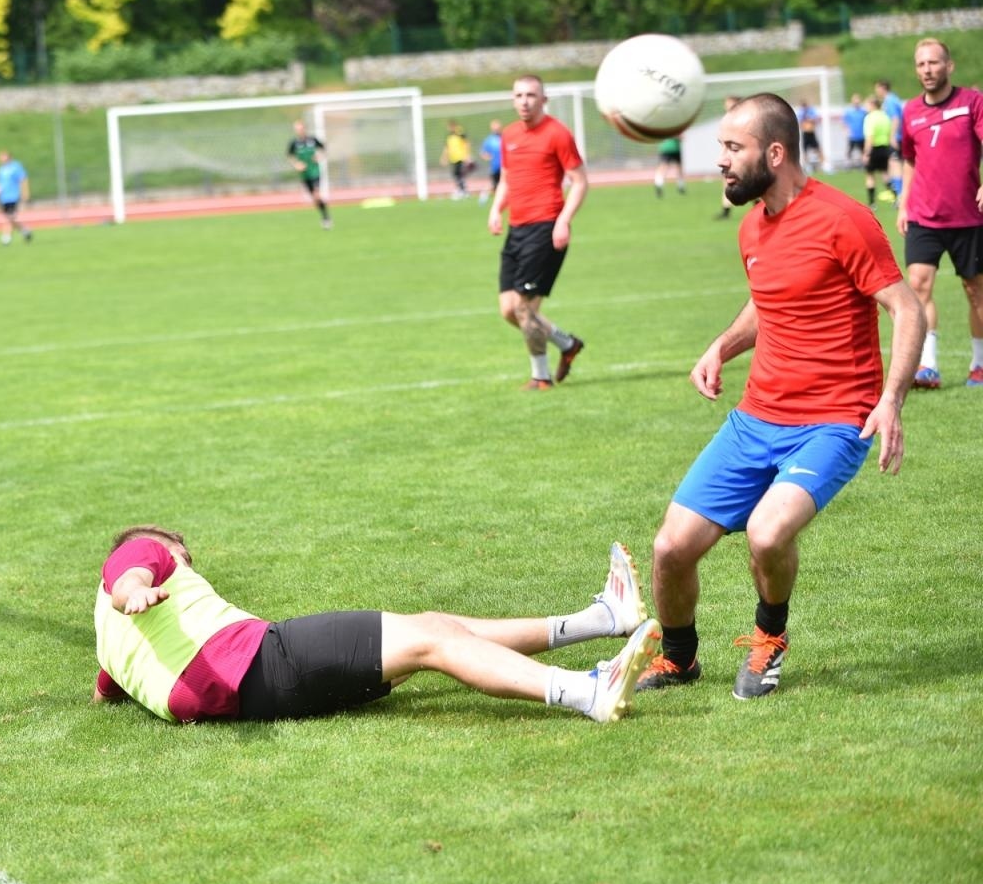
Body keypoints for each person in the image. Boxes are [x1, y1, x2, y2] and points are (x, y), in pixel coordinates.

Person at [637, 93, 924, 701]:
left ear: (774, 152)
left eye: (732, 149)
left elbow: (907, 307)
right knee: (670, 548)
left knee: (768, 534)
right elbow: (767, 304)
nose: (720, 161)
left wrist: (892, 398)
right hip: (754, 419)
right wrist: (721, 347)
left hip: (833, 422)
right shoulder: (752, 224)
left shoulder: (844, 219)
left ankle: (769, 640)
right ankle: (680, 659)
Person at [92, 526, 661, 725]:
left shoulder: (109, 645)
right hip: (259, 660)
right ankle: (589, 692)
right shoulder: (141, 555)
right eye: (184, 556)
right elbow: (127, 581)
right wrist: (139, 590)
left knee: (434, 630)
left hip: (251, 697)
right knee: (435, 640)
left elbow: (108, 689)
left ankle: (602, 618)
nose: (188, 565)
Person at [487, 75, 587, 390]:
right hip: (516, 229)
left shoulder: (558, 134)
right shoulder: (509, 134)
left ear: (544, 99)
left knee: (524, 308)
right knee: (508, 310)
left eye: (531, 95)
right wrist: (495, 209)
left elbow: (580, 181)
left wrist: (564, 220)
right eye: (519, 95)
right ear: (512, 99)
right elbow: (506, 178)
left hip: (545, 228)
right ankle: (567, 343)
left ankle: (540, 377)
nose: (525, 101)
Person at [896, 37, 983, 390]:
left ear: (949, 66)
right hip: (923, 215)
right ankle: (926, 365)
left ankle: (979, 365)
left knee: (975, 290)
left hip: (968, 216)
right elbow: (908, 159)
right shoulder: (910, 111)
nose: (927, 70)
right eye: (921, 65)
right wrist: (903, 203)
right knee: (918, 286)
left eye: (933, 63)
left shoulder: (972, 102)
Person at [287, 120, 332, 229]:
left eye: (300, 129)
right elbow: (289, 156)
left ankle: (326, 218)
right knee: (315, 199)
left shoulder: (312, 140)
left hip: (315, 172)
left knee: (317, 194)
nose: (299, 131)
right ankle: (325, 216)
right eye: (297, 129)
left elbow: (324, 148)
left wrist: (319, 156)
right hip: (304, 175)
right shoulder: (294, 143)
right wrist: (296, 164)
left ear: (304, 129)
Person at [0, 150, 32, 246]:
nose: (1, 159)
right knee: (10, 218)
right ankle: (24, 230)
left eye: (3, 156)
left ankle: (6, 237)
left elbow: (23, 179)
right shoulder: (1, 170)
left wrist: (25, 192)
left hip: (14, 196)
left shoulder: (16, 167)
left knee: (10, 217)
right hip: (4, 197)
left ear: (9, 157)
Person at [863, 95, 896, 208]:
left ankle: (872, 203)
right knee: (885, 174)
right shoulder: (885, 116)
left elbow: (870, 137)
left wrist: (867, 153)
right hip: (884, 148)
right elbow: (889, 133)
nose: (866, 107)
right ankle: (895, 199)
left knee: (870, 175)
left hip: (874, 148)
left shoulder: (870, 117)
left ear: (872, 105)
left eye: (867, 104)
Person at [874, 79, 905, 201]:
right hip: (900, 136)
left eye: (877, 88)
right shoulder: (893, 99)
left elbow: (896, 118)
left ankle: (900, 196)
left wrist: (892, 136)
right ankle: (899, 194)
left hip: (897, 137)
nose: (876, 91)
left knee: (895, 164)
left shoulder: (890, 101)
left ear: (882, 88)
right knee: (896, 164)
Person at [714, 95, 742, 220]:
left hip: (739, 156)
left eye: (729, 103)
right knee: (727, 182)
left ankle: (759, 206)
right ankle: (726, 211)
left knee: (750, 180)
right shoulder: (727, 119)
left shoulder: (741, 120)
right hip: (730, 156)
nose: (726, 105)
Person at [440, 120, 470, 200]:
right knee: (456, 175)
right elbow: (447, 148)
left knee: (460, 174)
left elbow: (466, 143)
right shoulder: (449, 137)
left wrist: (466, 155)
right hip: (453, 159)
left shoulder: (460, 134)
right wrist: (444, 158)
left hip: (460, 157)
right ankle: (461, 190)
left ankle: (463, 190)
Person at [478, 119, 503, 204]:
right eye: (494, 127)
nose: (496, 129)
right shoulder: (489, 140)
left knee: (505, 183)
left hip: (505, 166)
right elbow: (483, 152)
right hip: (494, 166)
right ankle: (484, 194)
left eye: (497, 127)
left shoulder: (504, 137)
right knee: (494, 185)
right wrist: (487, 157)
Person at [796, 99, 822, 174]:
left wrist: (809, 119)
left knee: (818, 149)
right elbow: (800, 122)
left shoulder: (811, 111)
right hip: (805, 133)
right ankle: (806, 167)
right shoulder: (801, 112)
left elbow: (815, 119)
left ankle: (822, 166)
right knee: (805, 151)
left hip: (812, 132)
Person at [842, 93, 868, 167]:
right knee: (849, 150)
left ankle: (864, 164)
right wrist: (847, 131)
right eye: (855, 100)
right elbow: (845, 123)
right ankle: (847, 164)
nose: (856, 102)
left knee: (863, 151)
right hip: (852, 135)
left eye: (857, 100)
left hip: (861, 135)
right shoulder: (849, 112)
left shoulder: (863, 111)